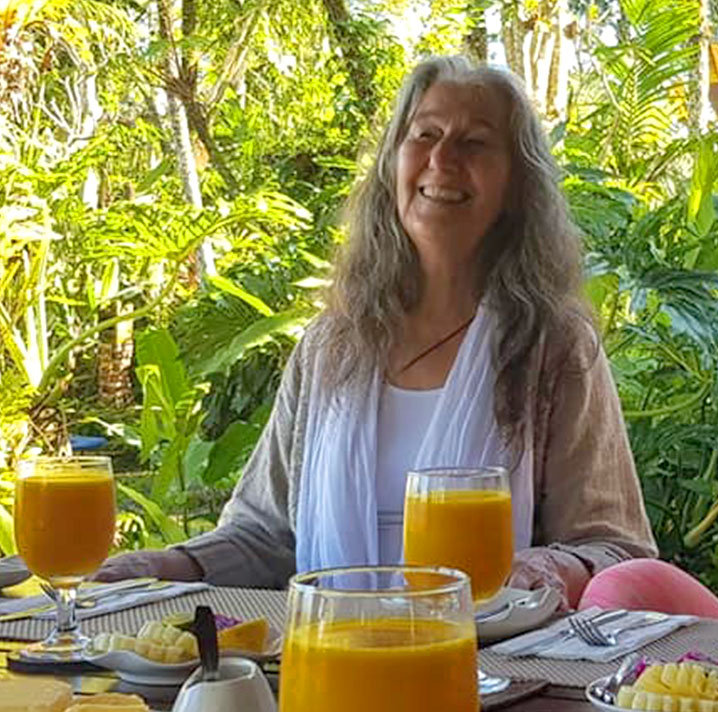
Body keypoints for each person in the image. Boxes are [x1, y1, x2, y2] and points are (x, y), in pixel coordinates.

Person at [96, 56, 657, 606]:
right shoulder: (331, 347)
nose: (442, 158)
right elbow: (263, 537)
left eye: (474, 142)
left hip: (495, 679)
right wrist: (161, 564)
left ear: (517, 185)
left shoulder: (552, 348)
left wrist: (546, 565)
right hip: (332, 665)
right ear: (393, 163)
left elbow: (617, 549)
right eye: (425, 134)